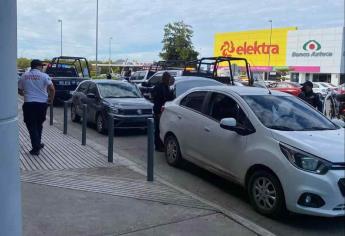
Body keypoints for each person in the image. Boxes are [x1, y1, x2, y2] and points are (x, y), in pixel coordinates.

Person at [18, 59, 55, 155]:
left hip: (29, 104)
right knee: (39, 124)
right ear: (38, 66)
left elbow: (20, 91)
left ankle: (36, 148)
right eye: (42, 66)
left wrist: (26, 94)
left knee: (31, 126)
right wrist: (51, 99)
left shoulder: (24, 75)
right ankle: (37, 144)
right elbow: (52, 89)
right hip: (42, 104)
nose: (42, 67)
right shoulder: (44, 76)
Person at [151, 72, 174, 152]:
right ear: (165, 78)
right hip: (158, 110)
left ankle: (161, 144)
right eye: (168, 78)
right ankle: (158, 145)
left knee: (162, 128)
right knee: (158, 128)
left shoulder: (166, 87)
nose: (169, 80)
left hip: (164, 110)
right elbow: (156, 97)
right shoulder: (159, 86)